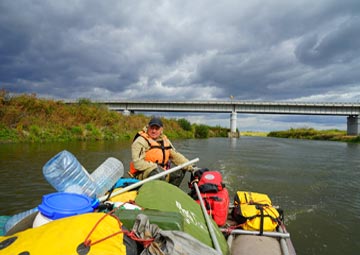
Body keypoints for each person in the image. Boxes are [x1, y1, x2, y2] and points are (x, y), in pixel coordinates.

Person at [129, 117, 193, 186]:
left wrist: (191, 167)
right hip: (143, 173)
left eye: (157, 129)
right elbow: (138, 164)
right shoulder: (140, 141)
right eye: (152, 128)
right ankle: (157, 193)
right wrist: (155, 167)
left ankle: (171, 192)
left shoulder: (165, 140)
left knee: (180, 170)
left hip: (162, 172)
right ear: (148, 128)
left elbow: (176, 156)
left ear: (161, 130)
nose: (154, 131)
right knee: (156, 173)